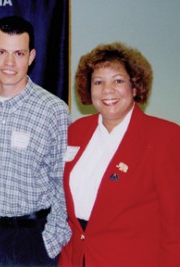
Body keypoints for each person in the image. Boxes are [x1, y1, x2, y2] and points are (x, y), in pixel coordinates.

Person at [59, 42, 180, 267]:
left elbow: (175, 225)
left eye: (118, 81)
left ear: (135, 87)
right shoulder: (76, 132)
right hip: (78, 259)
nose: (107, 90)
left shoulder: (165, 137)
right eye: (98, 82)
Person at [0, 16, 71, 266]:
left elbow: (63, 181)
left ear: (31, 57)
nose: (9, 62)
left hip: (33, 239)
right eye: (2, 51)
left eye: (18, 53)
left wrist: (50, 241)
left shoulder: (53, 110)